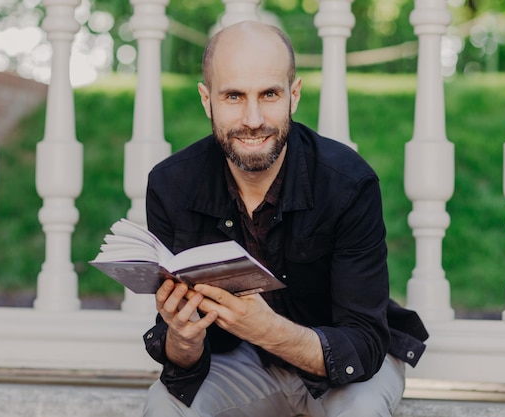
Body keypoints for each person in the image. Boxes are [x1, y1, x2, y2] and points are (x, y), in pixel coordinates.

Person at [141, 20, 428, 417]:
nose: (253, 118)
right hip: (244, 362)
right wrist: (183, 340)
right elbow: (179, 358)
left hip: (344, 367)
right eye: (234, 96)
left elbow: (364, 345)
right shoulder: (171, 184)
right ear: (207, 100)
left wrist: (267, 328)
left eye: (269, 94)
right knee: (162, 406)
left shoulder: (349, 183)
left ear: (294, 95)